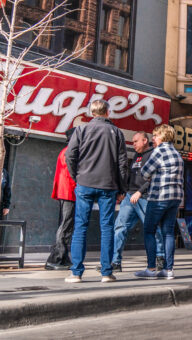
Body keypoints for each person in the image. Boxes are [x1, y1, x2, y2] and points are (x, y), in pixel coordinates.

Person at [65, 99, 128, 284]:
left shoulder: (81, 130)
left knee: (80, 227)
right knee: (107, 227)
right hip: (108, 186)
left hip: (84, 183)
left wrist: (76, 176)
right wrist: (122, 187)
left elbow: (71, 155)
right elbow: (123, 163)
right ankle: (106, 273)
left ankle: (76, 272)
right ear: (108, 112)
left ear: (92, 112)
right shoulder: (116, 132)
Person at [98, 132, 166, 272]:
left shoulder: (154, 154)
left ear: (145, 140)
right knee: (119, 227)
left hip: (146, 197)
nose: (133, 144)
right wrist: (124, 192)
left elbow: (155, 177)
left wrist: (140, 191)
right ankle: (115, 262)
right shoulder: (136, 156)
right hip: (130, 197)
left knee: (152, 228)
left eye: (136, 141)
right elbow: (130, 176)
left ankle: (160, 257)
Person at [135, 124, 184, 280]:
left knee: (149, 230)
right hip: (175, 197)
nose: (153, 139)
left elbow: (144, 172)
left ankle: (151, 268)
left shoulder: (159, 152)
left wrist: (151, 174)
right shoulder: (177, 154)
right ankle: (168, 270)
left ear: (162, 136)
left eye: (155, 136)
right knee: (168, 233)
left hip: (159, 196)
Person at [45, 128, 77, 270]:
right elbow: (71, 174)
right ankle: (55, 258)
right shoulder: (70, 152)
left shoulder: (65, 151)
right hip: (69, 192)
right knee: (66, 225)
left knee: (65, 224)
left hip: (65, 192)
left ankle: (63, 257)